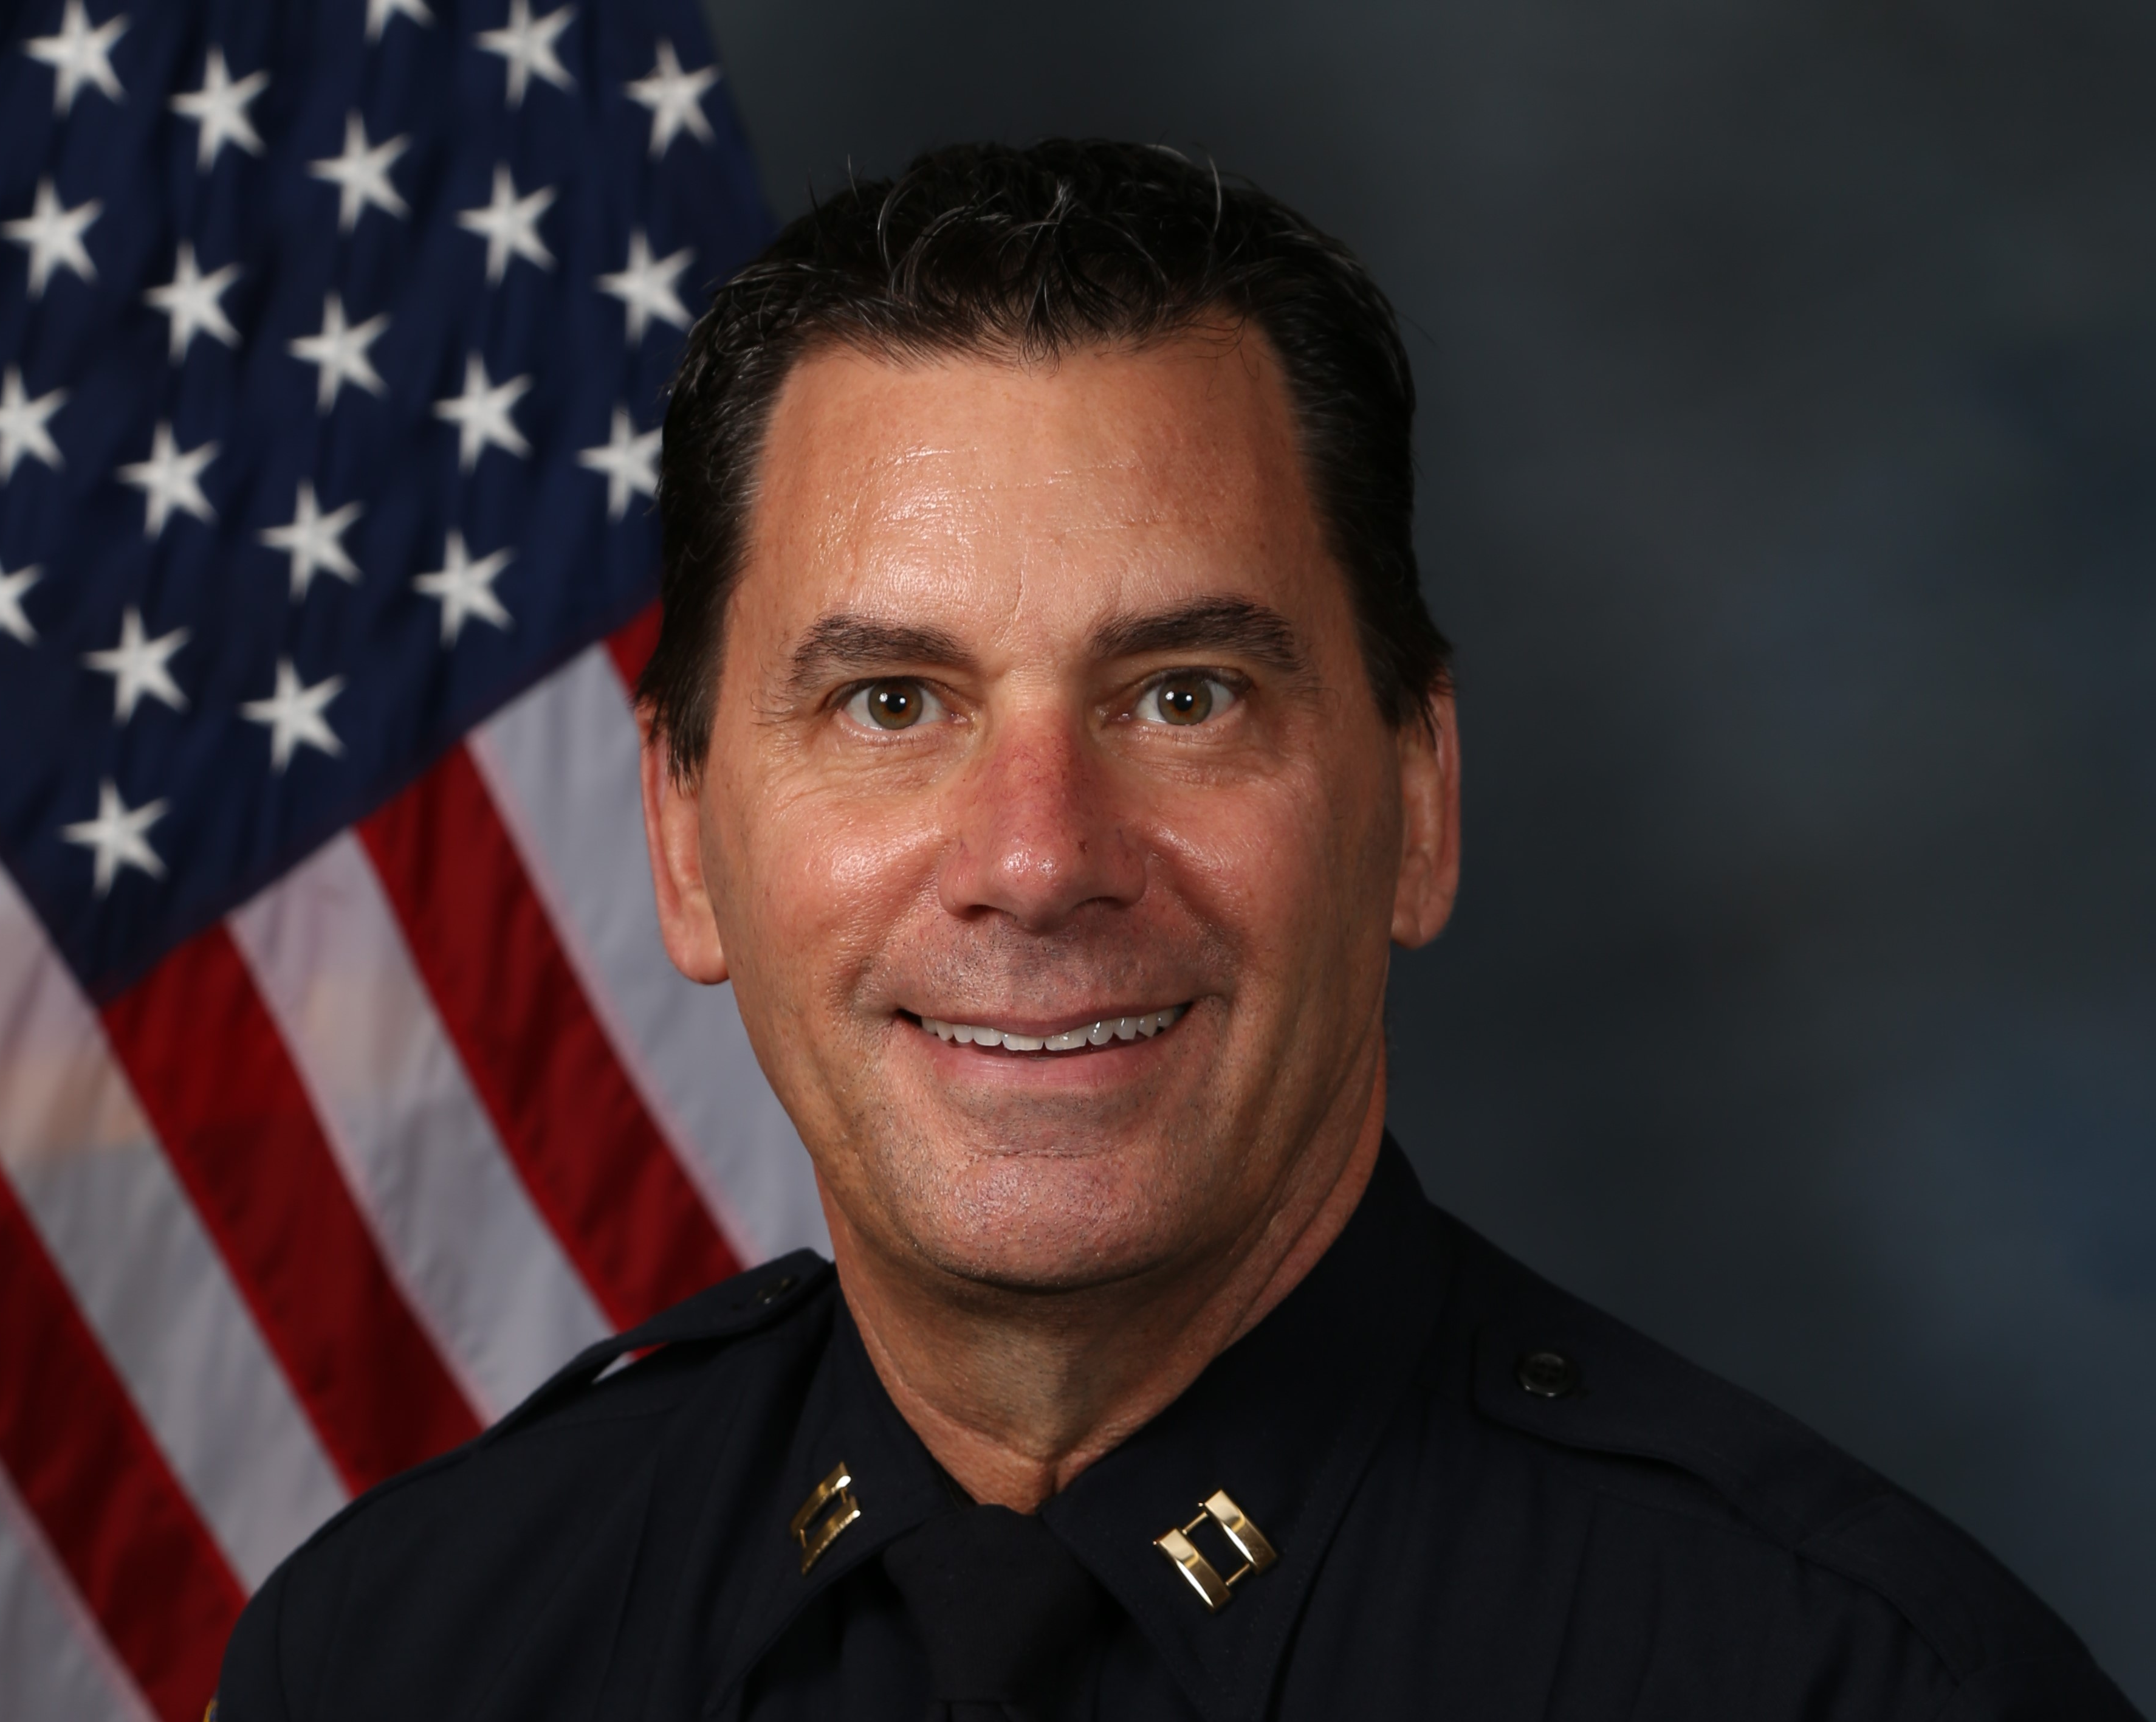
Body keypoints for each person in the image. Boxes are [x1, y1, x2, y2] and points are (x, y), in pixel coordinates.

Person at [214, 139, 2138, 1721]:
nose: (1036, 857)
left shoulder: (1846, 1686)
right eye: (890, 702)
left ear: (1416, 800)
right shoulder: (398, 1659)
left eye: (1184, 694)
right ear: (683, 836)